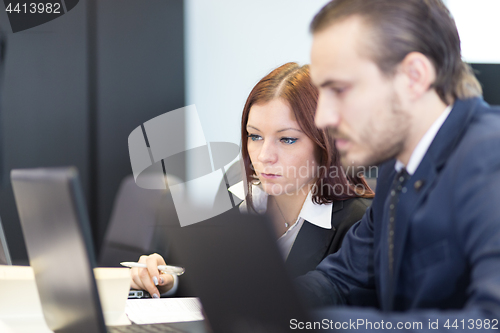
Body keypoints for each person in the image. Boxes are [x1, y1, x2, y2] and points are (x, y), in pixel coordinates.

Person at [294, 0, 500, 330]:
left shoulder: (489, 159)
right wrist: (264, 304)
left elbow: (491, 321)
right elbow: (342, 279)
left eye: (340, 89)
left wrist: (320, 324)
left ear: (414, 76)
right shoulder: (397, 170)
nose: (323, 117)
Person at [130, 62, 375, 298]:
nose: (264, 156)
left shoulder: (357, 221)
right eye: (255, 136)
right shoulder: (236, 184)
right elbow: (215, 277)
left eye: (287, 139)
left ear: (325, 145)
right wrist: (167, 279)